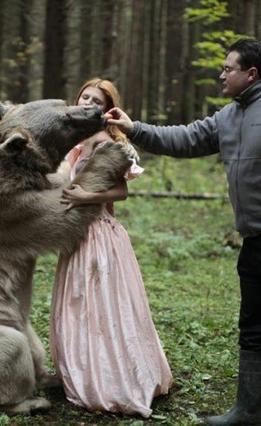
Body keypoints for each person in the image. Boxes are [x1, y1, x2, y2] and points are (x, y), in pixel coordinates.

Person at [105, 39, 261, 425]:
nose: (222, 74)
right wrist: (133, 128)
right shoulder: (228, 116)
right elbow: (185, 138)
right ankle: (247, 412)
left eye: (229, 69)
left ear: (251, 73)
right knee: (253, 330)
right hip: (255, 243)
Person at [49, 78, 173, 418]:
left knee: (102, 307)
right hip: (75, 234)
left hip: (98, 235)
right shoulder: (76, 141)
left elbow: (121, 193)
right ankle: (82, 369)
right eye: (85, 96)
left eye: (97, 101)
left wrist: (87, 198)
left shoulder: (104, 141)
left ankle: (111, 378)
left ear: (107, 110)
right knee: (78, 303)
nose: (89, 102)